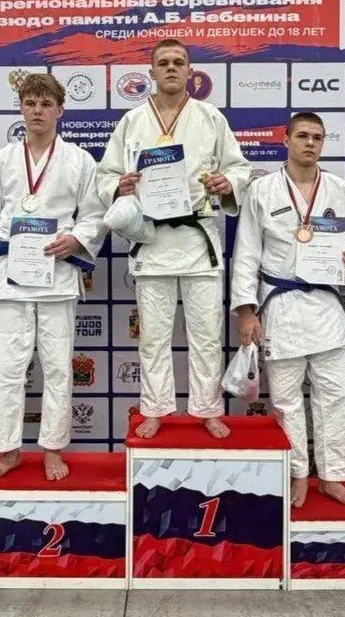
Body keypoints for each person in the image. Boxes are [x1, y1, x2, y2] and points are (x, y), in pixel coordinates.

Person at [97, 38, 251, 439]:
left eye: (178, 62)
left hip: (198, 239)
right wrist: (119, 185)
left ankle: (207, 408)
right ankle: (154, 408)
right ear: (151, 72)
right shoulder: (132, 121)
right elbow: (104, 175)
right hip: (152, 240)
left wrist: (227, 182)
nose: (170, 67)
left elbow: (240, 167)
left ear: (190, 72)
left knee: (207, 334)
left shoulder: (210, 117)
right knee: (153, 336)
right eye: (163, 62)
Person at [0, 73, 107, 482]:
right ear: (21, 108)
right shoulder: (0, 160)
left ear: (60, 110)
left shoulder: (80, 160)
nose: (37, 111)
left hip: (57, 274)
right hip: (9, 275)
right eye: (30, 103)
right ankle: (7, 450)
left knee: (58, 367)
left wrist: (77, 238)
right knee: (8, 369)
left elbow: (95, 214)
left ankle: (53, 449)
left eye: (45, 104)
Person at [230, 112, 345, 509]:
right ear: (286, 140)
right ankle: (297, 474)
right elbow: (246, 253)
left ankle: (333, 477)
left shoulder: (339, 190)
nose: (310, 143)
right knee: (287, 401)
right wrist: (246, 312)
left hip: (326, 306)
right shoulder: (263, 190)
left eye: (317, 137)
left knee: (337, 396)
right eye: (303, 136)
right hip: (281, 305)